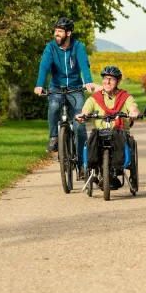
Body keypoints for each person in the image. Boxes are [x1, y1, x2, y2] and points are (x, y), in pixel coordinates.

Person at [34, 17, 95, 177]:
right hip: (56, 87)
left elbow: (84, 64)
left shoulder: (78, 46)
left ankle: (82, 166)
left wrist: (87, 81)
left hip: (75, 88)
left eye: (59, 32)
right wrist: (40, 84)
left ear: (68, 33)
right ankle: (54, 137)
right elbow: (44, 66)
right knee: (54, 106)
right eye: (55, 31)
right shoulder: (51, 48)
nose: (56, 34)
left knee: (80, 127)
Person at [76, 65, 139, 188]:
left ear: (118, 81)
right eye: (105, 78)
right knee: (92, 141)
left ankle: (114, 172)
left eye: (111, 79)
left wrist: (133, 113)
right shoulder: (95, 98)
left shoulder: (125, 97)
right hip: (100, 133)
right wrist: (83, 115)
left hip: (120, 132)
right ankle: (96, 169)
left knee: (118, 138)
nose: (107, 82)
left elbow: (133, 107)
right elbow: (86, 109)